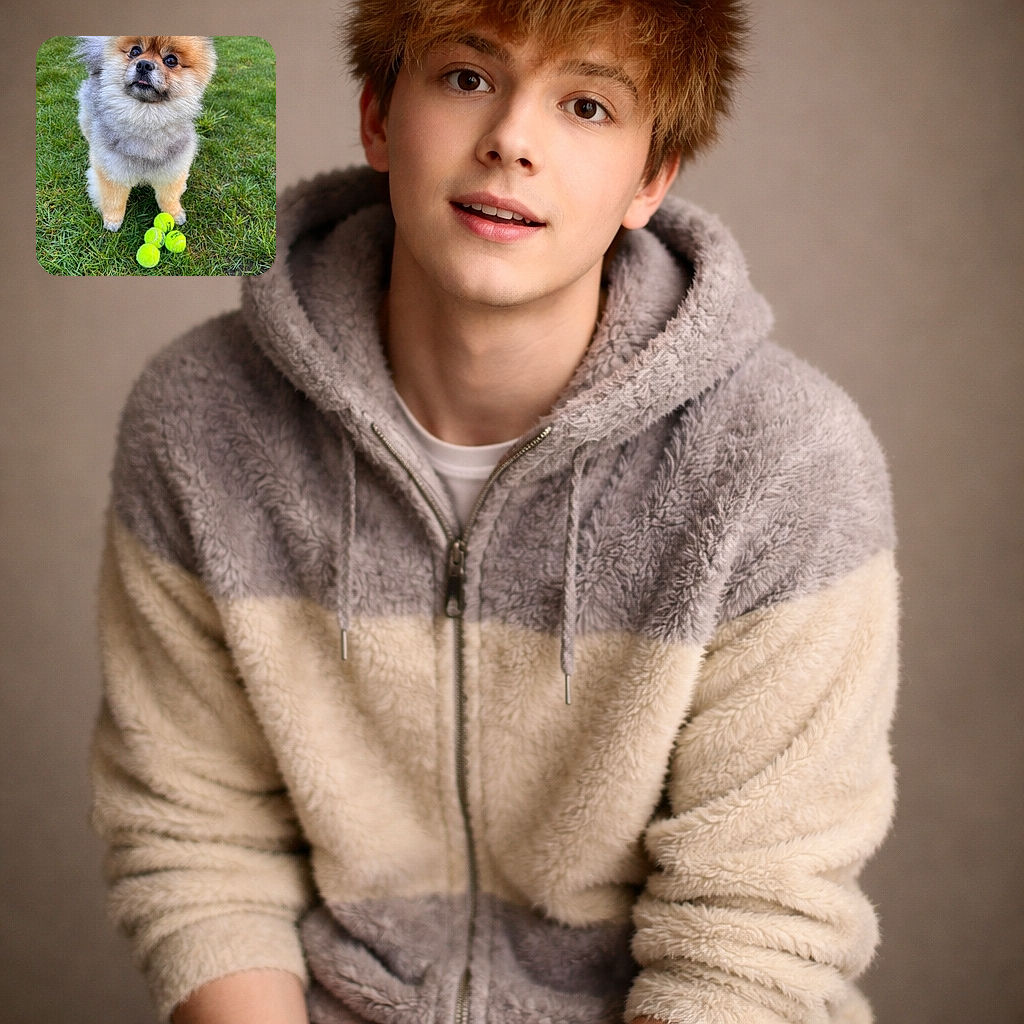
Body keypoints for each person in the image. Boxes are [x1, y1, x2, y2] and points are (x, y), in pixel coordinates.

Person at [92, 1, 899, 1022]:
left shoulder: (785, 462)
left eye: (588, 105)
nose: (512, 140)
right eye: (468, 79)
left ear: (651, 179)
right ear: (378, 117)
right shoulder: (201, 417)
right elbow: (197, 840)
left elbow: (751, 932)